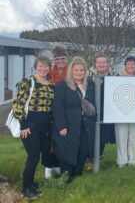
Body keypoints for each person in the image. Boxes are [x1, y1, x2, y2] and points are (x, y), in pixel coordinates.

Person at [12, 56, 55, 199]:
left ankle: (31, 184)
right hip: (30, 126)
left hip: (45, 126)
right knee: (33, 156)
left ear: (49, 68)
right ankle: (26, 188)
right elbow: (17, 104)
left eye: (46, 66)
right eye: (40, 66)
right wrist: (23, 125)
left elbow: (50, 106)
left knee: (40, 155)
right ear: (36, 67)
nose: (43, 69)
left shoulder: (50, 84)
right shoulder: (27, 82)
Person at [52, 57, 96, 183]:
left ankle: (77, 173)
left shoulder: (89, 85)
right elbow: (57, 107)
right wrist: (61, 125)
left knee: (83, 150)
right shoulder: (63, 86)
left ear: (85, 71)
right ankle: (66, 176)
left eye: (81, 70)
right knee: (67, 149)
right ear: (71, 71)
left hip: (85, 124)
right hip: (69, 124)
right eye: (76, 70)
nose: (79, 72)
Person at [44, 45, 69, 179]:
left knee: (61, 140)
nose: (60, 61)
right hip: (49, 111)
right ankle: (48, 166)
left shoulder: (70, 72)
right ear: (54, 59)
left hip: (64, 112)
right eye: (58, 58)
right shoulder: (48, 73)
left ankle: (59, 165)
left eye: (63, 58)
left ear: (66, 58)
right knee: (49, 141)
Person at [115, 56, 135, 168]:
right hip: (121, 111)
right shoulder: (117, 76)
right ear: (125, 65)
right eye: (128, 63)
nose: (131, 65)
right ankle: (121, 160)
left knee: (133, 136)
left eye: (133, 63)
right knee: (121, 136)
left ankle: (132, 160)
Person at [88, 52, 116, 161]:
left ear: (107, 63)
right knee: (91, 135)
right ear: (95, 64)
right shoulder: (88, 75)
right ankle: (90, 157)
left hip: (106, 110)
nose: (101, 64)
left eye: (104, 62)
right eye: (99, 62)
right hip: (92, 109)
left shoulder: (112, 76)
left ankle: (97, 157)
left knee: (102, 136)